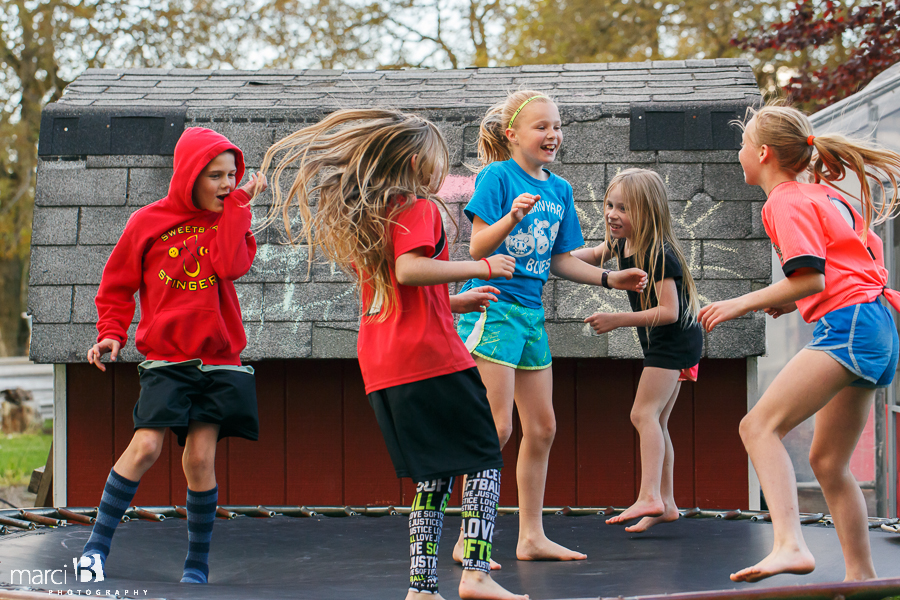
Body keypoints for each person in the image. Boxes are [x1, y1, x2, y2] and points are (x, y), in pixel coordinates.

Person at [260, 108, 528, 600]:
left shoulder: (372, 216)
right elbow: (409, 270)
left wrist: (455, 299)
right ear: (412, 160)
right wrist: (483, 265)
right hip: (432, 358)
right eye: (434, 160)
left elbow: (399, 289)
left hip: (384, 365)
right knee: (485, 456)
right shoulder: (417, 206)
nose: (440, 171)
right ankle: (476, 573)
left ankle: (422, 588)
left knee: (434, 474)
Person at [699, 104, 900, 583]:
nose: (740, 153)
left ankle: (789, 544)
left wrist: (739, 303)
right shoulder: (825, 197)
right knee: (828, 461)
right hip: (875, 324)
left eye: (743, 144)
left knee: (757, 427)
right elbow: (851, 261)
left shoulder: (785, 201)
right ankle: (862, 579)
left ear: (763, 153)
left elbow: (810, 278)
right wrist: (790, 302)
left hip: (850, 324)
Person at [454, 91, 648, 563]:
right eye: (541, 126)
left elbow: (560, 259)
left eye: (557, 126)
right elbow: (479, 246)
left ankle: (531, 536)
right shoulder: (496, 177)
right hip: (493, 309)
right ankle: (467, 537)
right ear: (512, 134)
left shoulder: (558, 190)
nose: (552, 135)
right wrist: (512, 217)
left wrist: (609, 278)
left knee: (541, 428)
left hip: (530, 317)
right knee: (497, 428)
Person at [80, 127, 267, 584]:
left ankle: (196, 565)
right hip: (167, 358)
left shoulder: (232, 221)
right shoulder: (147, 222)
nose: (227, 184)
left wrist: (240, 205)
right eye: (216, 176)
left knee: (200, 459)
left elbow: (229, 265)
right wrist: (111, 334)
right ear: (189, 176)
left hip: (219, 359)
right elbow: (118, 286)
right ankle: (94, 549)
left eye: (232, 175)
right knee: (145, 445)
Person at [573, 168, 702, 533]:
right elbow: (592, 255)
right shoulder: (621, 243)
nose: (613, 214)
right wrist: (554, 257)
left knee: (642, 414)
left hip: (673, 340)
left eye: (624, 209)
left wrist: (617, 319)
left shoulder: (659, 253)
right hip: (670, 341)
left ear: (647, 213)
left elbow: (669, 311)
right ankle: (668, 504)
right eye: (610, 205)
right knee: (656, 421)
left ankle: (650, 495)